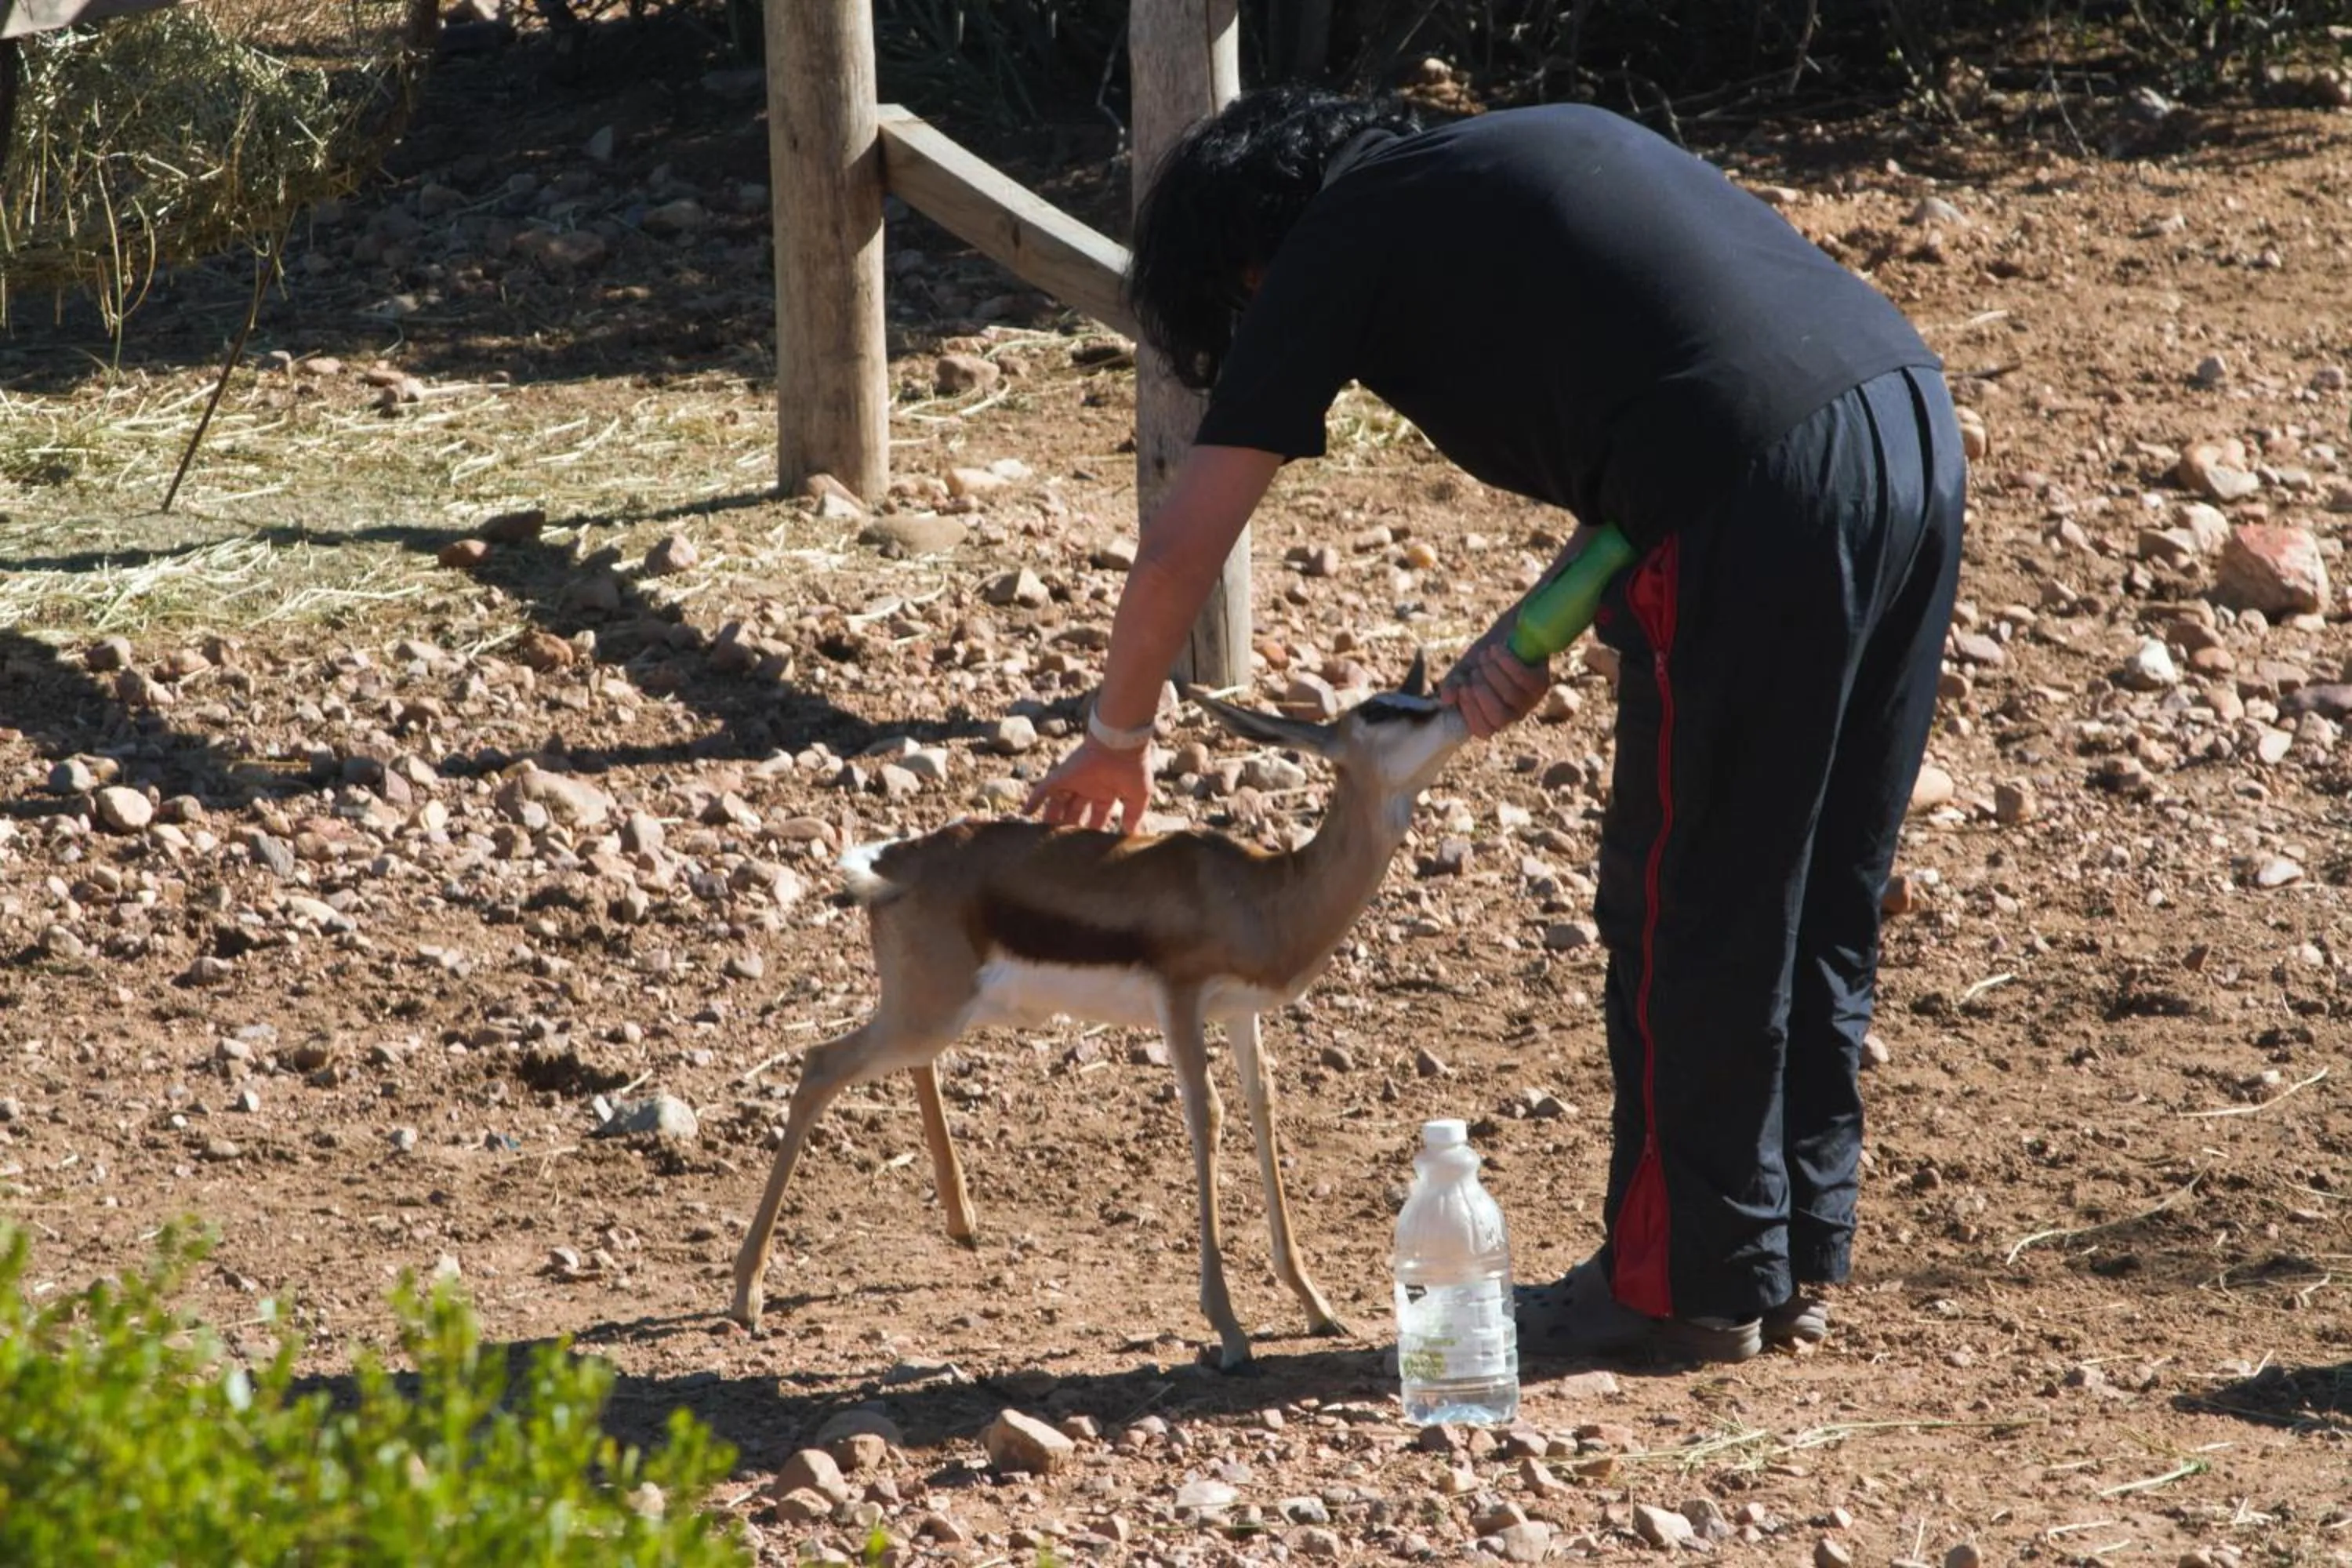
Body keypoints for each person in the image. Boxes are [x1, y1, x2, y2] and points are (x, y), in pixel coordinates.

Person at [1022, 86, 1965, 1363]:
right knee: (1814, 884)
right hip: (1908, 426)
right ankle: (1780, 1254)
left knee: (1687, 903)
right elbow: (1691, 405)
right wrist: (1528, 636)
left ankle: (1677, 1289)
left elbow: (1184, 541)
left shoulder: (1333, 237)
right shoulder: (1510, 159)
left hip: (1754, 486)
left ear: (1247, 259)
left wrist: (1116, 737)